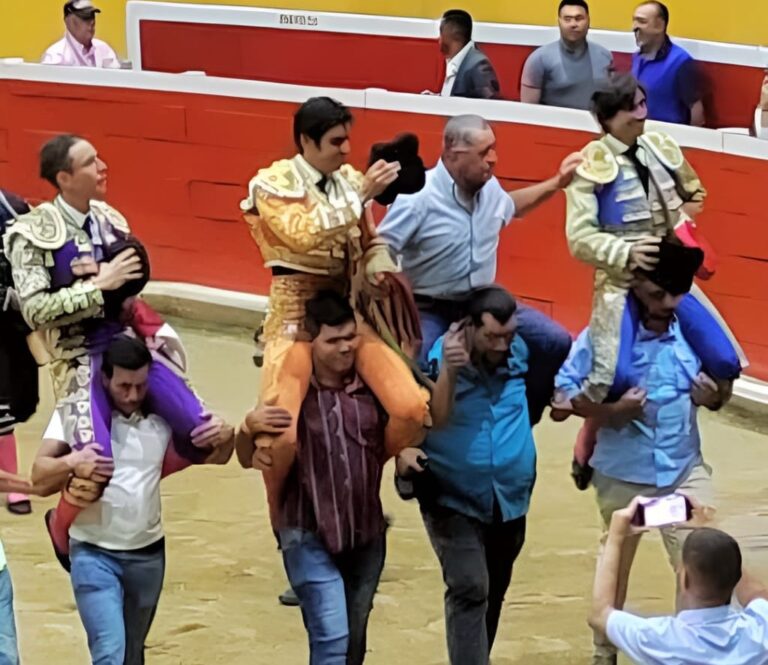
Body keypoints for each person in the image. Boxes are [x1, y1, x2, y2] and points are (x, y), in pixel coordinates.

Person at [4, 134, 215, 569]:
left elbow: (130, 290)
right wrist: (98, 285)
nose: (102, 167)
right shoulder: (31, 232)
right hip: (77, 357)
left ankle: (135, 485)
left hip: (125, 346)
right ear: (64, 178)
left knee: (202, 433)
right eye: (89, 162)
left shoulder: (109, 219)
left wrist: (147, 324)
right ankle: (60, 526)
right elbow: (35, 310)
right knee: (94, 464)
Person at [238, 97, 429, 525]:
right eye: (336, 142)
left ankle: (357, 480)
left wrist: (378, 268)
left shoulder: (349, 181)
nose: (346, 150)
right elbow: (303, 235)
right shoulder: (271, 183)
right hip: (295, 317)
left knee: (411, 409)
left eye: (347, 140)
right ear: (306, 141)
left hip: (347, 313)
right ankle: (284, 520)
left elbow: (369, 240)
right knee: (280, 439)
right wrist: (361, 195)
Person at [554, 241, 739, 665]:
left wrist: (715, 398)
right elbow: (561, 399)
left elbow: (721, 392)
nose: (668, 304)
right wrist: (611, 411)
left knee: (702, 565)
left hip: (682, 472)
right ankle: (604, 653)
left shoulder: (692, 334)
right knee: (616, 562)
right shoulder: (603, 337)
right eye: (658, 294)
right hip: (624, 479)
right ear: (636, 286)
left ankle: (695, 653)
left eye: (676, 294)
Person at [562, 73, 740, 486]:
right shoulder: (591, 163)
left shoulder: (660, 146)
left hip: (669, 274)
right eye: (632, 108)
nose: (642, 114)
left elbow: (696, 194)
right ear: (607, 118)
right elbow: (578, 239)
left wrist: (678, 223)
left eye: (643, 104)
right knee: (612, 377)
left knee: (724, 359)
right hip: (620, 281)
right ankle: (587, 442)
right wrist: (625, 252)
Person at [31, 336, 233, 665]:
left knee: (132, 653)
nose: (133, 395)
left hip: (148, 555)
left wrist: (227, 436)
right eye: (124, 386)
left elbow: (220, 457)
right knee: (110, 653)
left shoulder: (164, 415)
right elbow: (39, 476)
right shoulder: (77, 412)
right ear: (105, 379)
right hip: (92, 553)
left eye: (140, 386)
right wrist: (72, 461)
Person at [377, 113, 579, 424]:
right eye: (484, 152)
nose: (493, 159)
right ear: (452, 153)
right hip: (429, 306)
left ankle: (522, 421)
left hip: (482, 301)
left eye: (493, 149)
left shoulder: (489, 187)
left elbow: (510, 207)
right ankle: (420, 441)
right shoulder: (417, 198)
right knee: (417, 368)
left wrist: (557, 183)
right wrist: (392, 301)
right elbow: (381, 250)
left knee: (555, 342)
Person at [237, 291, 397, 665]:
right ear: (311, 342)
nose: (345, 348)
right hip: (306, 530)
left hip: (366, 533)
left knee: (352, 642)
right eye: (333, 340)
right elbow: (247, 459)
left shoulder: (375, 389)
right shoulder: (291, 395)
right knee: (331, 638)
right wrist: (246, 428)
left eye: (350, 337)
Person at [397, 286, 543, 665]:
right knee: (470, 587)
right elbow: (437, 416)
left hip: (510, 498)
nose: (502, 345)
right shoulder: (438, 356)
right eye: (492, 336)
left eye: (508, 335)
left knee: (492, 590)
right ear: (468, 327)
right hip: (451, 494)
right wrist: (450, 368)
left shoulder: (521, 351)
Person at [591, 500, 768, 665]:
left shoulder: (659, 638)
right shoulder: (759, 631)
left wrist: (615, 536)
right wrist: (711, 529)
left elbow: (600, 615)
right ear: (736, 579)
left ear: (684, 579)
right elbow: (758, 594)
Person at [0, 189, 38, 516]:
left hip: (6, 321)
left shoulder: (13, 207)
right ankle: (12, 483)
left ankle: (10, 480)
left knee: (14, 403)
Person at [520, 0, 613, 110]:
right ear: (559, 22)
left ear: (588, 20)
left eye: (579, 18)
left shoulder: (605, 57)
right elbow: (528, 111)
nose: (573, 24)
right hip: (553, 121)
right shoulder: (538, 59)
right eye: (567, 19)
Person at [631, 2, 705, 126]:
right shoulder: (637, 58)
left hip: (669, 135)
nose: (634, 27)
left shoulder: (681, 62)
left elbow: (697, 114)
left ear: (660, 26)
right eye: (634, 21)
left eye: (642, 21)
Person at [436, 9, 500, 100]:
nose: (439, 40)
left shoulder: (479, 66)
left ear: (454, 37)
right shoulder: (455, 60)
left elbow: (490, 105)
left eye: (441, 35)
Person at [41, 1, 120, 69]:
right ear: (69, 21)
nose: (92, 22)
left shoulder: (104, 49)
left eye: (92, 16)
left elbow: (116, 78)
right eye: (85, 17)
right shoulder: (56, 56)